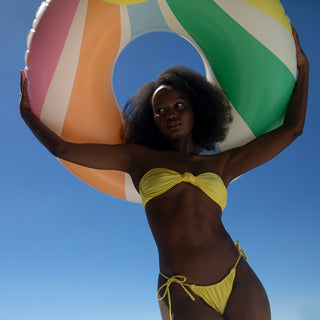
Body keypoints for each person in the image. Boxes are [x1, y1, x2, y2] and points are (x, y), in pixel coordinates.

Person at [20, 27, 309, 320]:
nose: (171, 114)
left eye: (179, 106)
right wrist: (28, 115)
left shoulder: (222, 164)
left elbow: (293, 129)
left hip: (237, 277)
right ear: (152, 119)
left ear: (196, 110)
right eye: (160, 110)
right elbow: (63, 149)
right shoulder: (138, 159)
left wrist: (304, 68)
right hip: (184, 291)